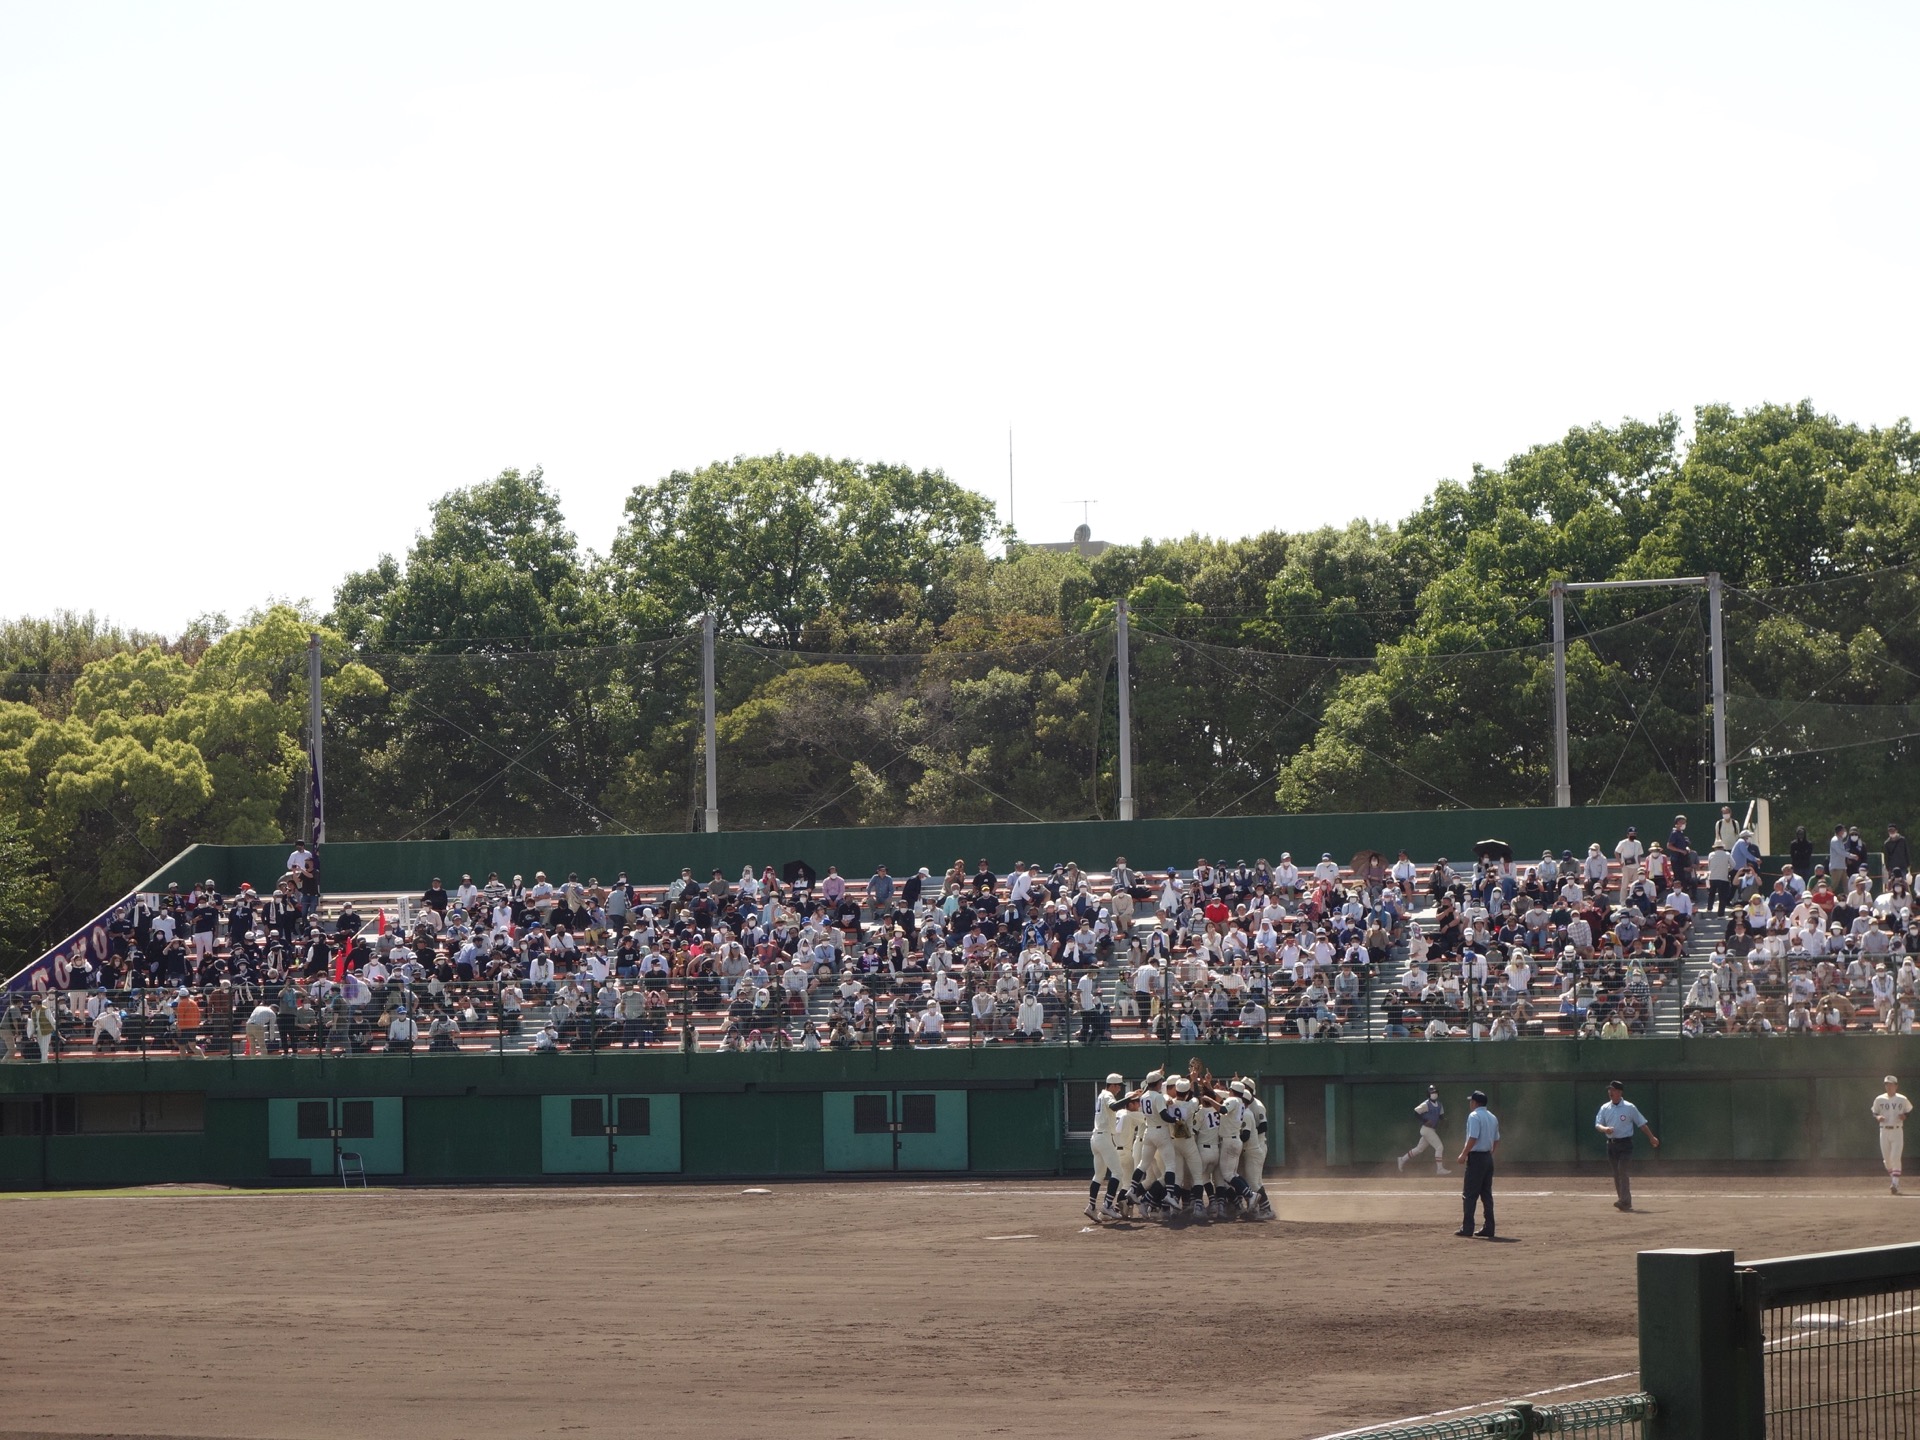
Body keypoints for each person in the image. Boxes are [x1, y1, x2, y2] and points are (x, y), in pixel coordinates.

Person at [1594, 1080, 1660, 1212]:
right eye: (1609, 1090)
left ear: (1619, 1092)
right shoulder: (1605, 1107)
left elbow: (1641, 1123)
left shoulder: (1629, 1107)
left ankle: (1624, 1200)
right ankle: (1624, 1202)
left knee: (1622, 1170)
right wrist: (1604, 1129)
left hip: (1625, 1144)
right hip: (1611, 1145)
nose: (1610, 1092)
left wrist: (1651, 1137)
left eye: (1612, 1090)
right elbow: (1598, 1124)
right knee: (1616, 1173)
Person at [1456, 1089, 1499, 1239]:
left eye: (1471, 1101)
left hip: (1477, 1158)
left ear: (1474, 1102)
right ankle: (1489, 1227)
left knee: (1469, 1194)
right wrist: (1489, 1154)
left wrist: (1464, 1154)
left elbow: (1473, 1137)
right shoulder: (1492, 1117)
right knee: (1486, 1194)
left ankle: (1467, 1227)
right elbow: (1496, 1139)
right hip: (1487, 1158)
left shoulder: (1474, 1116)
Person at [1087, 1073, 1128, 1221]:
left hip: (1095, 1138)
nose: (1119, 1089)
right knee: (1118, 1173)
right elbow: (1114, 1106)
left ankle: (1091, 1207)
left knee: (1099, 1175)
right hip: (1104, 1138)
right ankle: (1108, 1205)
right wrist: (1130, 1097)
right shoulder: (1107, 1095)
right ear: (1112, 1085)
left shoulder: (1101, 1095)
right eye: (1118, 1086)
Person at [1873, 1075, 1913, 1195]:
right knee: (1887, 1160)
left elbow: (1909, 1110)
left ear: (1896, 1086)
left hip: (1897, 1130)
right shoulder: (1879, 1099)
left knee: (1895, 1156)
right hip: (1884, 1130)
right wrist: (1878, 1117)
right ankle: (1894, 1180)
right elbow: (1874, 1112)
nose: (1888, 1086)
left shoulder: (1902, 1099)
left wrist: (1905, 1116)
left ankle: (1895, 1183)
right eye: (1886, 1084)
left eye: (1891, 1084)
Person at [1397, 1085, 1449, 1175]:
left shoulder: (1439, 1104)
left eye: (1435, 1092)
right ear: (1428, 1094)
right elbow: (1416, 1112)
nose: (1434, 1094)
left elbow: (1440, 1116)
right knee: (1439, 1147)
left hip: (1432, 1130)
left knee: (1419, 1149)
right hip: (1426, 1129)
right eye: (1432, 1092)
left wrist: (1444, 1120)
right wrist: (1424, 1120)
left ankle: (1402, 1159)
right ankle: (1439, 1169)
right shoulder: (1426, 1104)